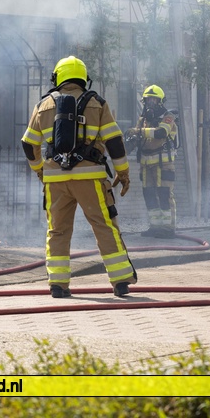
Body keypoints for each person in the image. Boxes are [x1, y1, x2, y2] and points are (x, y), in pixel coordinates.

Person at [21, 56, 137, 298]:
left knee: (57, 231)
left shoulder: (43, 105)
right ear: (84, 78)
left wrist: (40, 170)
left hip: (55, 181)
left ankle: (58, 284)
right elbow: (114, 141)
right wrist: (123, 172)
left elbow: (28, 143)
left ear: (57, 78)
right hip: (90, 178)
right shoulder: (97, 104)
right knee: (104, 225)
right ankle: (120, 281)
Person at [126, 85, 178, 238]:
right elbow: (136, 138)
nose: (150, 103)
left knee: (164, 194)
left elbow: (161, 132)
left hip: (163, 164)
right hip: (145, 165)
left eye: (154, 100)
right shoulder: (142, 120)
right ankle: (155, 226)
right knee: (149, 195)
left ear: (160, 102)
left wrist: (138, 131)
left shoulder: (168, 117)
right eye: (148, 100)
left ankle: (168, 228)